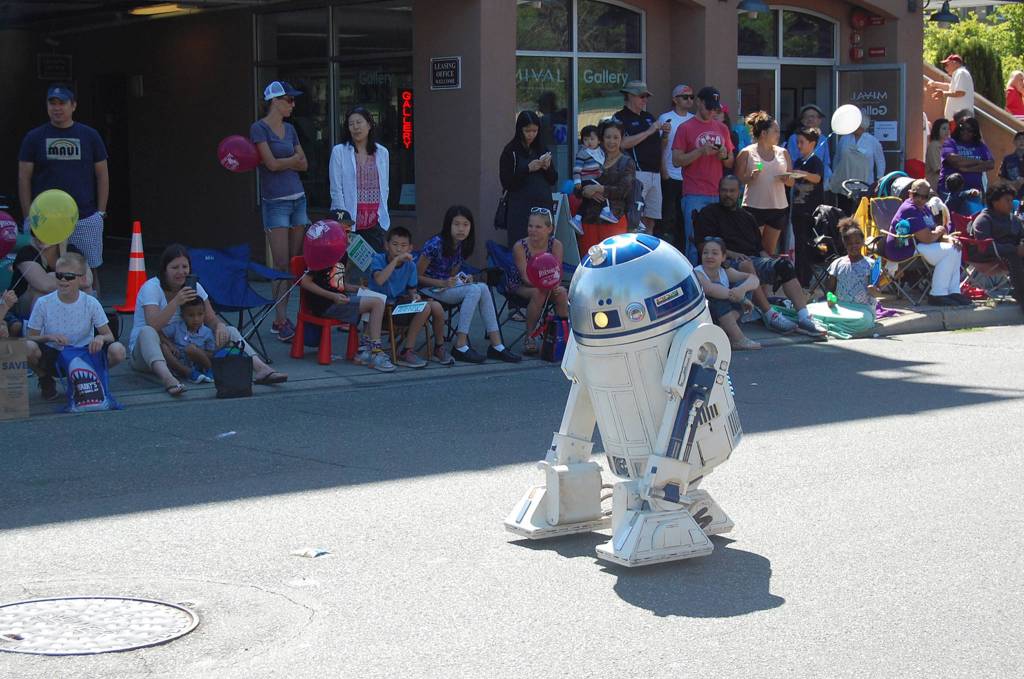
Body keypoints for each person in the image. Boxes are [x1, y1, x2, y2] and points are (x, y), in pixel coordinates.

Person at [129, 244, 288, 396]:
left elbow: (211, 319)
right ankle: (168, 379)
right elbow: (153, 324)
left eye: (185, 267)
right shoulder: (152, 288)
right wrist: (176, 301)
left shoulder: (194, 286)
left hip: (185, 350)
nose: (181, 272)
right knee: (147, 331)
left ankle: (262, 369)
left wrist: (219, 326)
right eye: (175, 267)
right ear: (164, 270)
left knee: (229, 330)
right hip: (150, 354)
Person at [694, 175, 823, 336]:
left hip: (753, 259)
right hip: (727, 263)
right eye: (724, 190)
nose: (728, 194)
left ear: (739, 192)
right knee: (747, 264)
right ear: (718, 191)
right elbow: (702, 245)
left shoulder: (747, 217)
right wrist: (732, 254)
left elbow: (759, 248)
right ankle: (770, 315)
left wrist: (770, 262)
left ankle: (804, 317)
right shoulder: (709, 213)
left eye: (732, 191)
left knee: (784, 265)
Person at [17, 84, 109, 297]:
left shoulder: (90, 135)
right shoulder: (34, 137)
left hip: (85, 216)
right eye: (52, 103)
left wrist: (101, 212)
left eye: (62, 103)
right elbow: (24, 177)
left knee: (89, 271)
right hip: (46, 219)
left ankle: (95, 319)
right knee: (48, 268)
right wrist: (27, 216)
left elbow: (102, 174)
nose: (57, 108)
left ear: (73, 106)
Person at [417, 205, 520, 364]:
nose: (461, 229)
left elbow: (450, 275)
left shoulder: (461, 245)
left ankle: (497, 345)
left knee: (482, 287)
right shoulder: (435, 244)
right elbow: (416, 277)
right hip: (429, 289)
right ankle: (460, 344)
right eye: (456, 224)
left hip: (445, 287)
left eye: (465, 225)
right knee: (473, 291)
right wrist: (442, 282)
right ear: (448, 225)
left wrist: (461, 279)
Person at [251, 80, 308, 342]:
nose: (293, 104)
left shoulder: (291, 129)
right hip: (276, 202)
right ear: (275, 101)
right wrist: (291, 162)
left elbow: (304, 163)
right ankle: (280, 318)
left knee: (296, 262)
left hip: (298, 199)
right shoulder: (259, 128)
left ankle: (287, 317)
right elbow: (270, 164)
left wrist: (288, 163)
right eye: (289, 100)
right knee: (282, 262)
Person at [24, 252, 125, 401]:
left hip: (84, 352)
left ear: (82, 279)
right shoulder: (43, 303)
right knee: (26, 347)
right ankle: (44, 377)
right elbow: (30, 336)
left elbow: (109, 335)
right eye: (58, 276)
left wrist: (99, 337)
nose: (63, 280)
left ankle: (91, 376)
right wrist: (48, 337)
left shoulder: (91, 302)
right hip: (55, 354)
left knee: (118, 350)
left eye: (69, 276)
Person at [299, 237, 394, 372]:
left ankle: (364, 350)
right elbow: (305, 282)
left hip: (337, 300)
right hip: (324, 304)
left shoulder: (343, 254)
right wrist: (332, 296)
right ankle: (375, 351)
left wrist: (357, 288)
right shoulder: (321, 253)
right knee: (377, 303)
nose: (348, 239)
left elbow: (337, 283)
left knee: (375, 297)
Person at [672, 86, 735, 264]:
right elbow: (676, 160)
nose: (711, 112)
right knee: (694, 243)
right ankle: (695, 284)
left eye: (715, 108)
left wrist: (723, 155)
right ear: (698, 102)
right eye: (708, 107)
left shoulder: (722, 128)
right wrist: (700, 151)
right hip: (694, 193)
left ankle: (718, 285)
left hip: (719, 193)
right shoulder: (685, 128)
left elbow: (730, 162)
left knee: (720, 244)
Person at [369, 227, 446, 369]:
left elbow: (412, 290)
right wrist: (395, 261)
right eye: (395, 244)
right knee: (426, 307)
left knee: (435, 306)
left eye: (403, 246)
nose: (399, 249)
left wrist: (415, 296)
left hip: (399, 307)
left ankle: (438, 347)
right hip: (382, 310)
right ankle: (406, 351)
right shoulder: (378, 259)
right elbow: (379, 280)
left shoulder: (410, 266)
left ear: (410, 248)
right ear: (386, 245)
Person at [888, 179, 968, 307]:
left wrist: (948, 238)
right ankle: (937, 294)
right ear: (910, 193)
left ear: (928, 196)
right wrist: (940, 231)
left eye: (924, 196)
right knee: (949, 252)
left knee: (955, 247)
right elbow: (927, 238)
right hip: (904, 249)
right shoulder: (910, 209)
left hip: (920, 245)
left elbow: (933, 233)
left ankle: (953, 291)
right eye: (916, 195)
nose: (920, 199)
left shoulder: (924, 208)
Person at [329, 107, 390, 265]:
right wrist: (343, 223)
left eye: (359, 122)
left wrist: (382, 215)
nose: (355, 127)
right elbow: (336, 190)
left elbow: (385, 187)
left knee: (375, 268)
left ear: (369, 125)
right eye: (351, 124)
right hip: (349, 220)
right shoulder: (339, 152)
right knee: (343, 269)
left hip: (374, 221)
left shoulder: (382, 152)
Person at [508, 208, 570, 355]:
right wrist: (547, 287)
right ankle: (530, 336)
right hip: (521, 285)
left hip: (547, 285)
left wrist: (555, 286)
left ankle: (562, 336)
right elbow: (525, 277)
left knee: (561, 293)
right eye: (530, 226)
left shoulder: (556, 245)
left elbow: (557, 272)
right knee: (538, 293)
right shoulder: (520, 246)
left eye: (538, 227)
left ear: (549, 229)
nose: (533, 230)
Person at [735, 111, 794, 256]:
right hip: (754, 206)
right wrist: (750, 178)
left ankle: (767, 278)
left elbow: (791, 182)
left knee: (770, 250)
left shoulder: (783, 152)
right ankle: (754, 277)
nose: (778, 134)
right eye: (775, 131)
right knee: (754, 248)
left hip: (778, 206)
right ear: (763, 133)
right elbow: (737, 179)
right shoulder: (746, 152)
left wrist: (787, 179)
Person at [614, 80, 667, 233]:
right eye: (641, 96)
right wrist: (650, 131)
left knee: (651, 219)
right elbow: (622, 143)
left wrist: (665, 134)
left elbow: (659, 145)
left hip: (655, 174)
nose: (645, 100)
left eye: (646, 96)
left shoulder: (648, 116)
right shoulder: (620, 117)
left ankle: (648, 253)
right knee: (635, 218)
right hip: (636, 173)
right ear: (630, 96)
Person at [575, 119, 635, 254]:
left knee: (614, 265)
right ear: (601, 138)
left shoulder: (626, 162)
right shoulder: (589, 157)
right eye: (608, 137)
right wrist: (584, 191)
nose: (611, 141)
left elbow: (624, 191)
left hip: (614, 220)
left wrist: (598, 189)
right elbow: (576, 186)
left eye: (616, 137)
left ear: (622, 138)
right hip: (588, 220)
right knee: (590, 265)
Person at [499, 111, 557, 248]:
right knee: (522, 246)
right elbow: (507, 182)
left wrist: (547, 167)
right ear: (520, 129)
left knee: (543, 247)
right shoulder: (511, 151)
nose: (531, 135)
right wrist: (527, 169)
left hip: (542, 206)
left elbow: (553, 179)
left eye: (535, 131)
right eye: (527, 131)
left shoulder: (541, 148)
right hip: (520, 208)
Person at [694, 237, 761, 350]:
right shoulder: (697, 272)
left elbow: (753, 279)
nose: (709, 256)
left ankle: (724, 330)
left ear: (723, 257)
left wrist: (742, 289)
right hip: (706, 316)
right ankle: (738, 338)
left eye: (714, 253)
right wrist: (742, 299)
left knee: (744, 286)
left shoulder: (724, 271)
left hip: (723, 314)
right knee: (718, 299)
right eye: (705, 253)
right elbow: (711, 289)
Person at [7, 236, 92, 320]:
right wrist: (72, 278)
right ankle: (38, 330)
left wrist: (63, 255)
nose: (40, 236)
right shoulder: (27, 252)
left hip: (62, 298)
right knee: (41, 294)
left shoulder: (71, 250)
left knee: (86, 289)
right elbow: (45, 285)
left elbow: (87, 280)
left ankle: (81, 326)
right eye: (35, 231)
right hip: (22, 303)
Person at [970, 183, 1024, 313]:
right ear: (995, 202)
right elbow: (986, 246)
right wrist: (1014, 249)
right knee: (1015, 258)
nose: (1011, 204)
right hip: (988, 256)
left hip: (1012, 253)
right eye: (1007, 200)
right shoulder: (983, 219)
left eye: (1012, 200)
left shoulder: (1014, 220)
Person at [656, 84, 694, 245]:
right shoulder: (665, 118)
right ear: (675, 99)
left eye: (692, 97)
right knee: (668, 217)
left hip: (689, 176)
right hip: (670, 174)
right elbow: (659, 147)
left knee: (685, 218)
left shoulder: (694, 119)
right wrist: (662, 168)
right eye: (685, 97)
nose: (689, 100)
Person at [790, 127, 826, 286]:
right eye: (797, 142)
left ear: (812, 144)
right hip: (797, 209)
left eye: (802, 142)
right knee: (798, 245)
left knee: (807, 245)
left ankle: (805, 279)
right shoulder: (798, 161)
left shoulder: (815, 161)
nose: (798, 145)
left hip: (811, 211)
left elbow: (817, 178)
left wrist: (802, 174)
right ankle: (798, 277)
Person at [159, 297, 216, 384]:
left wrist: (197, 350)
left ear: (204, 314)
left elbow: (211, 353)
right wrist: (170, 344)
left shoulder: (207, 332)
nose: (196, 319)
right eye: (191, 315)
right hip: (179, 361)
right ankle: (189, 373)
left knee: (190, 349)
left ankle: (209, 370)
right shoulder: (177, 327)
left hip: (198, 363)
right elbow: (160, 332)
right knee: (163, 346)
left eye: (200, 314)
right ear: (183, 316)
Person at [833, 113, 885, 206]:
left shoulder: (872, 141)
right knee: (844, 209)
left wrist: (879, 180)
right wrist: (835, 175)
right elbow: (837, 158)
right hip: (845, 182)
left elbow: (880, 161)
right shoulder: (844, 139)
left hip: (865, 183)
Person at [825, 220, 878, 307]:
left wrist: (875, 291)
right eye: (850, 243)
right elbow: (830, 289)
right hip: (842, 308)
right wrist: (830, 297)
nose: (854, 246)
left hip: (864, 310)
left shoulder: (871, 265)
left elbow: (877, 291)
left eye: (857, 243)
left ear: (863, 242)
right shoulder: (837, 264)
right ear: (844, 244)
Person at [938, 116, 993, 195]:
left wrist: (968, 170)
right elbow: (954, 160)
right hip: (950, 192)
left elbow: (991, 164)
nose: (965, 132)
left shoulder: (980, 146)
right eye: (962, 128)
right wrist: (979, 161)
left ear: (975, 133)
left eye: (969, 130)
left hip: (973, 193)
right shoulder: (949, 142)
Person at [784, 104, 832, 186]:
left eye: (813, 117)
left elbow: (826, 162)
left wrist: (827, 182)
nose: (810, 119)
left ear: (819, 120)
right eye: (806, 117)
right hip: (799, 181)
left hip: (819, 182)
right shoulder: (794, 138)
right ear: (802, 120)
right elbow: (792, 161)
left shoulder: (823, 139)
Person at [570, 125, 604, 233]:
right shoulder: (583, 153)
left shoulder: (601, 152)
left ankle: (577, 218)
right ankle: (607, 210)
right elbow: (577, 169)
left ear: (599, 140)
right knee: (602, 193)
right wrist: (577, 181)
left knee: (587, 202)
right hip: (587, 180)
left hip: (596, 180)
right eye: (585, 139)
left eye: (592, 139)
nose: (589, 142)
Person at [927, 54, 975, 120]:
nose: (945, 68)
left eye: (947, 65)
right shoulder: (959, 73)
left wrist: (943, 93)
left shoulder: (961, 73)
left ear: (954, 63)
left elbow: (960, 93)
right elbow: (950, 87)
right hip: (958, 119)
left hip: (961, 119)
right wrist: (935, 84)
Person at [997, 130, 1024, 200]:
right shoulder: (1007, 159)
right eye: (1019, 139)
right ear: (1014, 142)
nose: (1022, 141)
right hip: (1012, 196)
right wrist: (1013, 183)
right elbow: (1001, 179)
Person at [925, 118, 950, 189]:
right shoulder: (934, 145)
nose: (947, 131)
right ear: (937, 129)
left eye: (948, 129)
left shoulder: (946, 146)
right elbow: (937, 168)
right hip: (935, 186)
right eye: (944, 128)